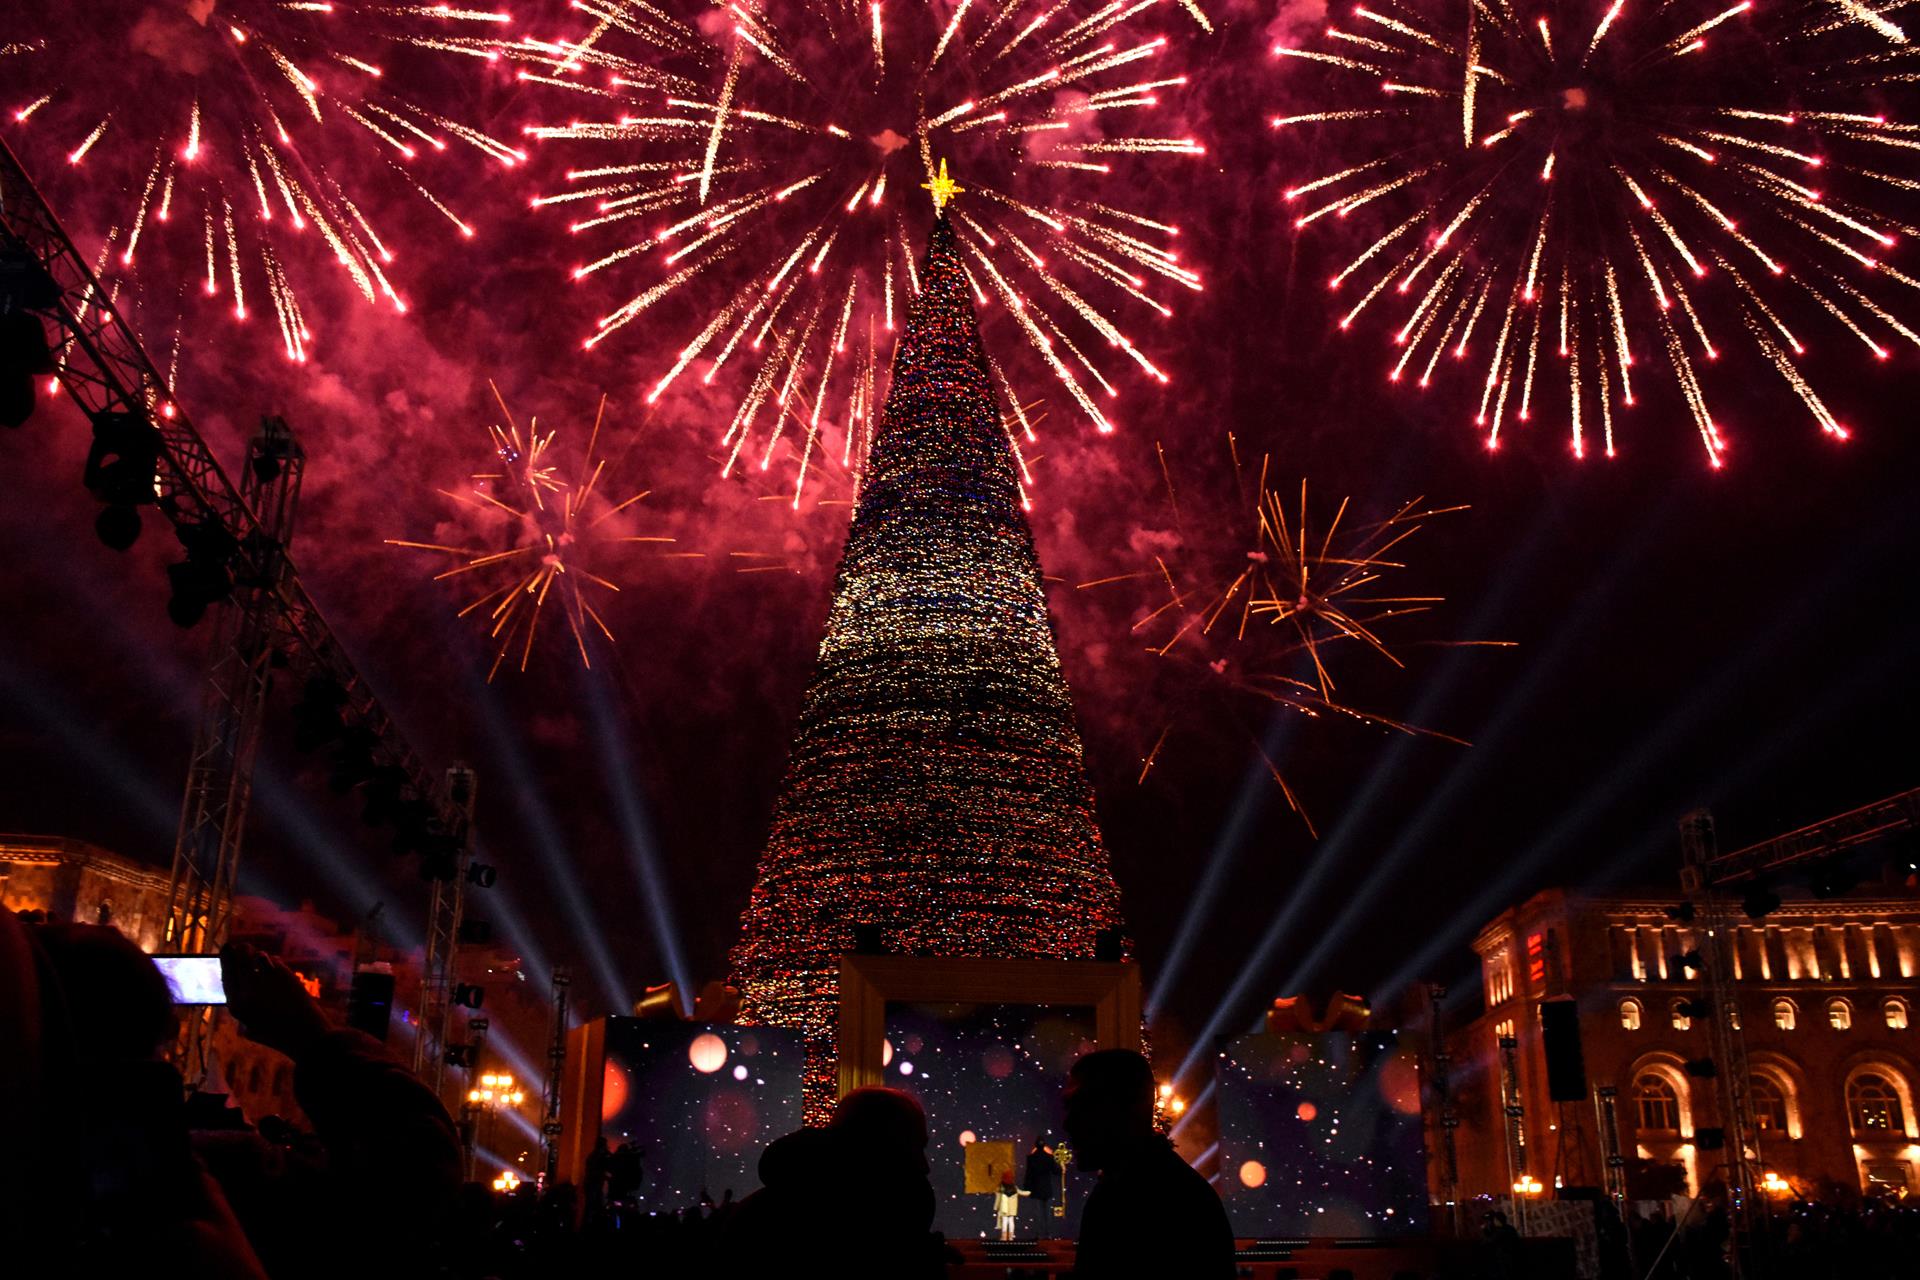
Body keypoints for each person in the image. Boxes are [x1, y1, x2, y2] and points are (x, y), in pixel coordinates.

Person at [1064, 1049, 1234, 1279]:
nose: (1068, 1123)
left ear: (1122, 1109)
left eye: (1082, 1107)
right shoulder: (1175, 1193)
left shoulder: (1163, 1201)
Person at [995, 1167, 1031, 1240]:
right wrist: (1030, 1192)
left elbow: (998, 1198)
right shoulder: (1014, 1187)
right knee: (1011, 1221)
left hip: (1004, 1208)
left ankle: (1004, 1237)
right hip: (1012, 1208)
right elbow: (1022, 1193)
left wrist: (996, 1207)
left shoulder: (1000, 1188)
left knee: (1005, 1221)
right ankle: (1011, 1237)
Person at [1024, 1139, 1059, 1209]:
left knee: (1038, 1213)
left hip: (1036, 1189)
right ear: (1044, 1145)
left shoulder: (1031, 1158)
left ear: (1035, 1145)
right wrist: (1061, 1168)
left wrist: (1026, 1188)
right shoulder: (1049, 1157)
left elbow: (1028, 1174)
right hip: (1047, 1188)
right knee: (1048, 1213)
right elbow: (1056, 1171)